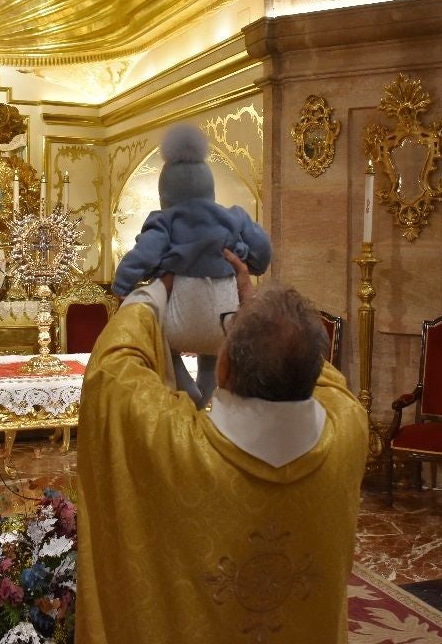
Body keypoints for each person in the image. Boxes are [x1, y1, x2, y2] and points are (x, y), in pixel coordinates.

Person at [76, 250, 368, 643]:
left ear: (224, 368)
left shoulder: (174, 442)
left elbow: (112, 370)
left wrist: (156, 291)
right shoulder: (349, 428)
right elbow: (313, 370)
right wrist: (257, 307)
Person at [111, 124, 271, 407]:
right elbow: (262, 251)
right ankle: (202, 399)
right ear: (209, 186)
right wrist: (253, 266)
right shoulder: (233, 216)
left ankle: (192, 398)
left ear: (166, 192)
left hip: (182, 312)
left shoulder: (165, 220)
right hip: (224, 313)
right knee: (211, 359)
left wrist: (121, 286)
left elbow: (143, 255)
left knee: (165, 346)